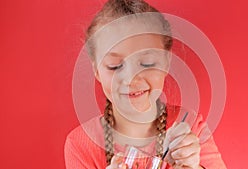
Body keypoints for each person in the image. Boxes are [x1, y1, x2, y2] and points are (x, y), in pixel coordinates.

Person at [64, 0, 227, 168]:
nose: (131, 79)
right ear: (96, 70)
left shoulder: (190, 127)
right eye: (114, 66)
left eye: (147, 63)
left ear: (166, 62)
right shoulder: (80, 144)